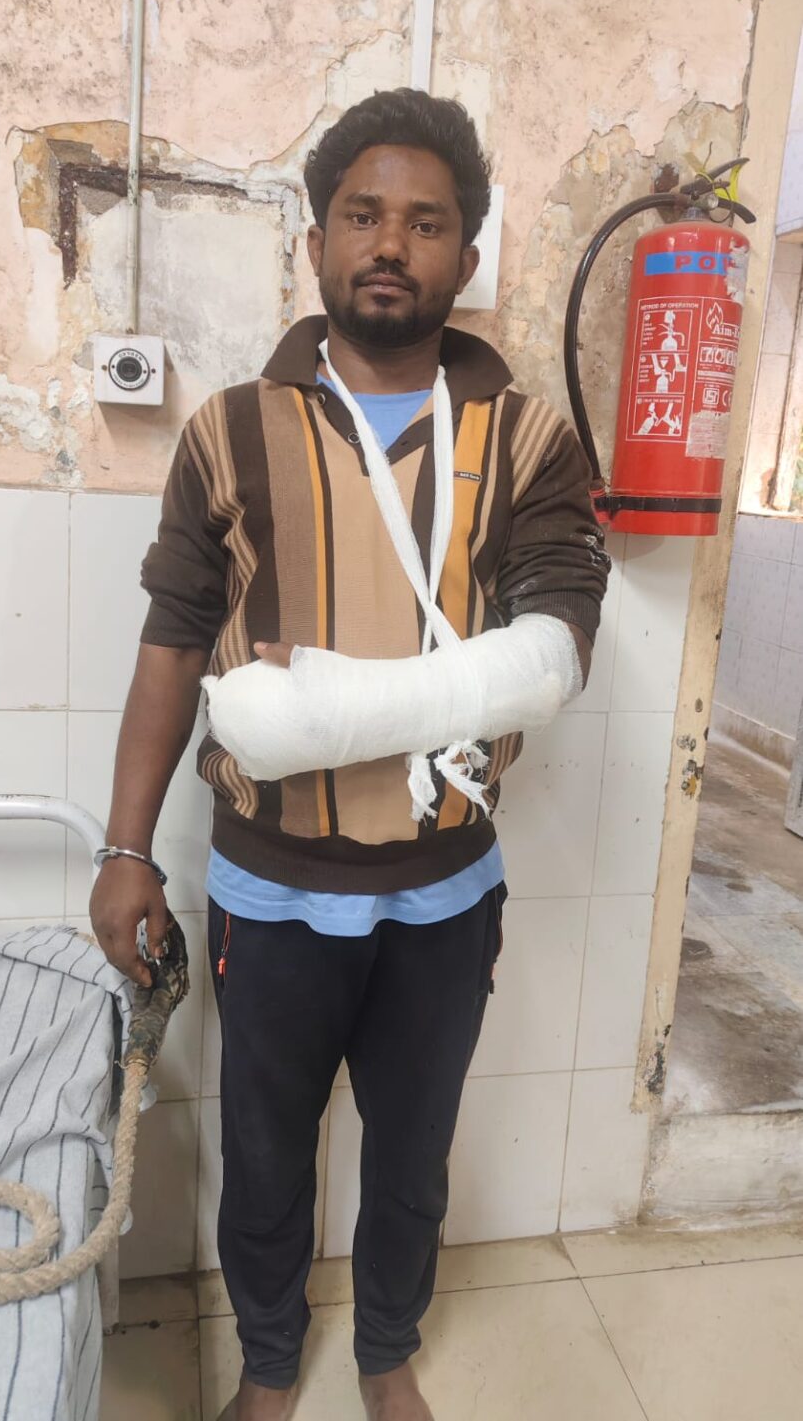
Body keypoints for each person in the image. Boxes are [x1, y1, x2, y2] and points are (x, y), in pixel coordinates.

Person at [90, 89, 609, 1421]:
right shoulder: (227, 430)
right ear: (316, 241)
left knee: (413, 1154)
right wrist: (124, 848)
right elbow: (172, 644)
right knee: (264, 1154)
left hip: (445, 891)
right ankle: (271, 1363)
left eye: (425, 223)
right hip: (269, 892)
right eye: (363, 216)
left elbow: (557, 642)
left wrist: (343, 702)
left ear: (465, 256)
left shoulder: (530, 438)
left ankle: (386, 1350)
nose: (391, 243)